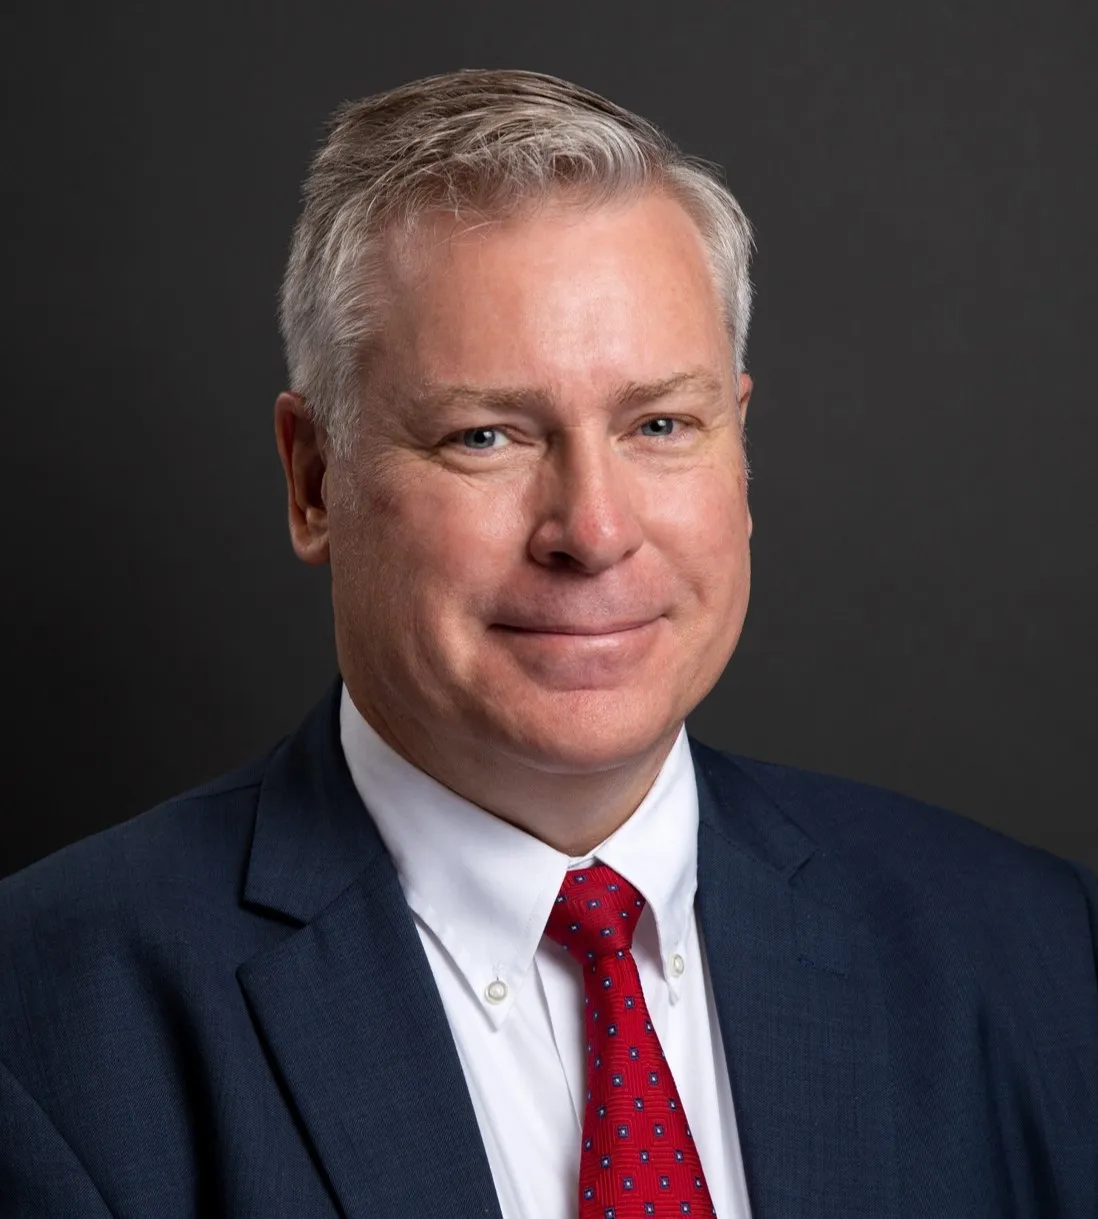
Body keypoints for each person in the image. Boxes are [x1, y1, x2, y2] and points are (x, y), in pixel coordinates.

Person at [1, 67, 1094, 1219]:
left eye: (660, 425)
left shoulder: (1037, 954)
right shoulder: (45, 1031)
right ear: (314, 478)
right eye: (486, 435)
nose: (595, 530)